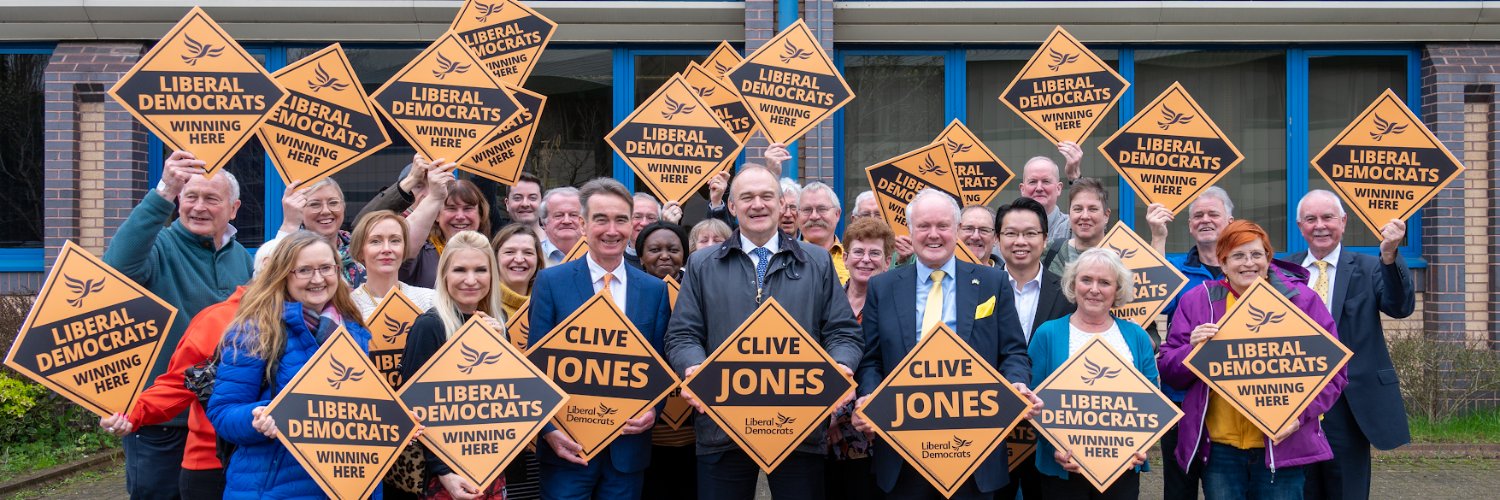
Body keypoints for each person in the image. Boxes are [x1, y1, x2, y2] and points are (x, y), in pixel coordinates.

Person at [665, 164, 864, 500]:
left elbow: (843, 332)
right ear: (731, 206)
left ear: (782, 205)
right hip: (721, 425)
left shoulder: (817, 262)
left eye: (766, 196)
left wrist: (841, 366)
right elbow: (682, 334)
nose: (757, 204)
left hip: (798, 426)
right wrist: (693, 368)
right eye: (747, 197)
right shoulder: (702, 263)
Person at [851, 189, 1040, 499]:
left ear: (956, 230)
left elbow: (1014, 352)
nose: (933, 234)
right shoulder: (882, 287)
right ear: (910, 232)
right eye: (924, 226)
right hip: (902, 447)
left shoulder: (992, 282)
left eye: (942, 226)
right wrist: (870, 396)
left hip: (973, 449)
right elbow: (871, 360)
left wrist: (1016, 383)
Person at [1158, 220, 1347, 499]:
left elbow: (1335, 371)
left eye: (1257, 254)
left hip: (1281, 445)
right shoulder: (1199, 301)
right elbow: (1169, 370)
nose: (1249, 263)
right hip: (1221, 450)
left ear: (1268, 259)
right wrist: (1193, 350)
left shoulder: (1301, 301)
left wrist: (1300, 417)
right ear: (1222, 263)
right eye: (1238, 256)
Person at [102, 150, 253, 500]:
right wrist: (163, 192)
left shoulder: (241, 257)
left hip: (218, 425)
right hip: (161, 422)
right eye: (190, 197)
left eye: (211, 199)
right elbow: (116, 272)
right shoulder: (159, 248)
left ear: (233, 209)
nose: (199, 207)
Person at [528, 178, 673, 500]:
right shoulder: (551, 282)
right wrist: (549, 431)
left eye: (621, 219)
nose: (612, 230)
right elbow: (534, 366)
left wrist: (653, 410)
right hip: (567, 449)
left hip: (626, 452)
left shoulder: (654, 290)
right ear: (582, 224)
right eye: (601, 219)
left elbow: (660, 363)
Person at [206, 231, 374, 499]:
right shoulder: (255, 330)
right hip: (274, 488)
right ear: (284, 274)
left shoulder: (354, 329)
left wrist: (397, 424)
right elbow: (222, 413)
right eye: (304, 270)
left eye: (325, 268)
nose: (318, 279)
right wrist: (258, 416)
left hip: (347, 487)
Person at [1291, 190, 1415, 500]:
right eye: (1311, 219)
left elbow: (1399, 307)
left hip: (1349, 404)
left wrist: (1390, 255)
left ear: (1343, 222)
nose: (1320, 226)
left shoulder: (1371, 266)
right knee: (1298, 490)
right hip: (1295, 405)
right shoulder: (1282, 270)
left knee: (1347, 490)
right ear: (1299, 226)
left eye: (1328, 217)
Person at [1029, 248, 1156, 499]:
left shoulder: (1136, 336)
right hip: (1063, 471)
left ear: (1117, 290)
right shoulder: (1048, 333)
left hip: (1122, 469)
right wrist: (1053, 447)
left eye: (1105, 282)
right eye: (1086, 280)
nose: (1094, 289)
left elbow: (1153, 402)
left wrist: (1143, 445)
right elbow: (1032, 402)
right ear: (1073, 284)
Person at [400, 231, 509, 499]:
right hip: (444, 474)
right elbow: (413, 407)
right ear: (444, 275)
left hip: (491, 464)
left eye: (480, 270)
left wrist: (502, 348)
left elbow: (508, 398)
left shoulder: (498, 321)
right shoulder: (430, 325)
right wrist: (443, 471)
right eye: (460, 269)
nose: (471, 280)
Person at [1144, 186, 1235, 500]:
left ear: (1230, 220)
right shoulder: (1178, 272)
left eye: (1213, 214)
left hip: (1230, 403)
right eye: (1198, 215)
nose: (1205, 220)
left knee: (1224, 488)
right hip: (1182, 396)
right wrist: (1158, 237)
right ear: (1190, 225)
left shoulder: (1246, 270)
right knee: (1179, 489)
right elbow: (1152, 298)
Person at [991, 197, 1075, 500]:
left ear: (1046, 238)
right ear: (997, 239)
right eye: (1010, 233)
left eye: (1030, 233)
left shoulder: (1069, 293)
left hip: (1050, 429)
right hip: (994, 426)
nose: (1020, 241)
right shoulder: (977, 291)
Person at [824, 216, 893, 500]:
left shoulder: (894, 309)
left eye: (875, 253)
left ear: (888, 261)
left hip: (873, 438)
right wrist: (824, 417)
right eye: (858, 252)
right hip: (825, 437)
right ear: (846, 257)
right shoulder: (826, 303)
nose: (866, 259)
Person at [634, 220, 695, 500]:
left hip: (692, 433)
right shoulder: (626, 294)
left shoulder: (697, 292)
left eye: (673, 249)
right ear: (640, 255)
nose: (664, 255)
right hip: (642, 433)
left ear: (684, 253)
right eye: (654, 249)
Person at [267, 178, 366, 286]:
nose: (326, 211)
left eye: (333, 203)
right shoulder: (289, 250)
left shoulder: (362, 248)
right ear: (300, 210)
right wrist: (290, 224)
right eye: (315, 204)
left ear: (343, 206)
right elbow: (267, 283)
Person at [403, 170, 492, 288]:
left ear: (480, 214)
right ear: (437, 215)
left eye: (468, 208)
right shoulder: (420, 254)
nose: (460, 216)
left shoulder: (493, 253)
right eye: (451, 208)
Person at [349, 210, 438, 318]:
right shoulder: (348, 307)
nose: (387, 249)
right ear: (360, 251)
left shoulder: (430, 300)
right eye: (375, 241)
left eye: (395, 240)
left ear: (404, 248)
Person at [1017, 143, 1083, 247]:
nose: (1039, 188)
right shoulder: (1007, 228)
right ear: (1022, 189)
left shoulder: (1073, 226)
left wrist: (1075, 178)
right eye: (1033, 182)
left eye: (1046, 181)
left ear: (1059, 188)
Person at [1045, 177, 1111, 276]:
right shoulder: (1049, 251)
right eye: (1078, 209)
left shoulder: (1120, 256)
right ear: (1069, 213)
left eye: (1092, 209)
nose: (1084, 216)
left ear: (1106, 215)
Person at [353, 154, 432, 224]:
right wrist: (412, 178)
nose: (428, 194)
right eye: (418, 186)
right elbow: (361, 226)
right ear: (406, 192)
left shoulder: (443, 221)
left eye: (434, 186)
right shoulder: (394, 226)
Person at [799, 182, 848, 285]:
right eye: (807, 210)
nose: (814, 216)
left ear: (837, 214)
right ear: (797, 215)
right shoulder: (784, 258)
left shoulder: (855, 259)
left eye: (822, 209)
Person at [492, 223, 543, 319]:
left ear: (538, 260)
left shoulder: (548, 304)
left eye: (528, 252)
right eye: (509, 252)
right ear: (495, 258)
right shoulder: (483, 305)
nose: (519, 260)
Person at [539, 187, 583, 266]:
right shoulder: (533, 255)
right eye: (558, 215)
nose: (566, 221)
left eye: (573, 215)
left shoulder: (597, 255)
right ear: (544, 223)